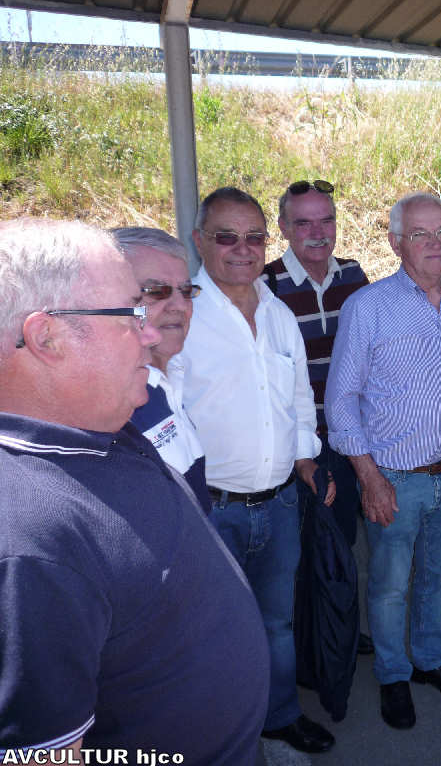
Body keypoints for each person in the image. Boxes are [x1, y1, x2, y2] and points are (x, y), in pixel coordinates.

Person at [0, 219, 269, 762]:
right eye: (130, 313)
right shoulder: (26, 542)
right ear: (46, 337)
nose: (149, 332)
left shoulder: (98, 428)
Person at [325, 191, 441, 730]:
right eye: (419, 233)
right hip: (395, 479)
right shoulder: (369, 307)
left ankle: (428, 660)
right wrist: (369, 478)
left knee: (439, 577)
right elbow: (341, 399)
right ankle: (393, 675)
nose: (434, 243)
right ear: (396, 242)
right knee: (390, 585)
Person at [178, 187, 337, 755]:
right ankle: (219, 732)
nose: (242, 249)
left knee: (277, 622)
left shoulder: (276, 312)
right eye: (227, 237)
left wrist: (307, 459)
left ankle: (279, 715)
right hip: (210, 510)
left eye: (254, 237)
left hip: (280, 501)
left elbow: (297, 398)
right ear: (199, 241)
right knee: (210, 628)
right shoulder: (181, 316)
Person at [265, 178, 373, 654]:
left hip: (348, 437)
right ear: (284, 227)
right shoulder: (265, 285)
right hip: (295, 443)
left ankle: (335, 629)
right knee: (294, 547)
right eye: (304, 222)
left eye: (326, 220)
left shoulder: (353, 277)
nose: (317, 232)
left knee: (339, 540)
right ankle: (302, 643)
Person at [113, 226, 210, 513]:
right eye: (156, 291)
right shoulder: (112, 404)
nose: (180, 306)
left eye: (186, 291)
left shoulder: (171, 374)